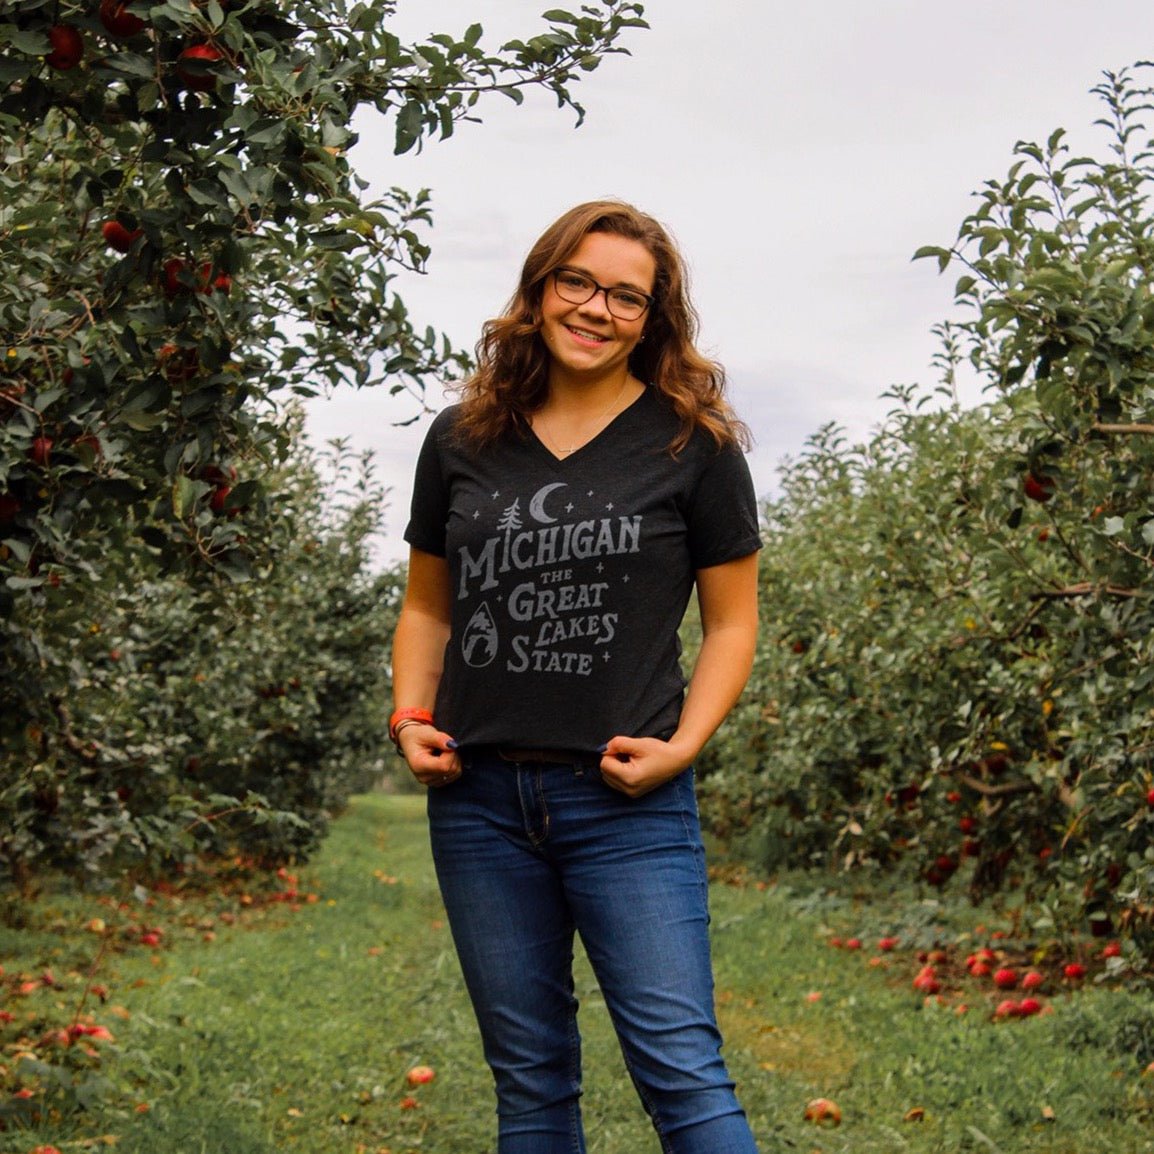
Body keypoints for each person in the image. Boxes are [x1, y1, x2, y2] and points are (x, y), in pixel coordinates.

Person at [390, 199, 762, 1153]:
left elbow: (731, 623)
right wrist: (408, 716)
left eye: (627, 297)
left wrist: (684, 747)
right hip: (477, 803)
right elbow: (429, 604)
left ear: (656, 318)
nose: (597, 309)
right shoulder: (463, 437)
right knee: (532, 1088)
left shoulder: (694, 444)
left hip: (624, 802)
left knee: (682, 1073)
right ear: (541, 289)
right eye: (578, 282)